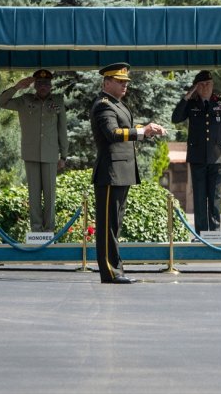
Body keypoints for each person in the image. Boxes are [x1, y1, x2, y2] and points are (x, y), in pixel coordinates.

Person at [90, 63, 166, 284]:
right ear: (106, 82)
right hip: (110, 171)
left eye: (126, 82)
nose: (125, 85)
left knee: (115, 224)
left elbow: (127, 126)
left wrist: (147, 128)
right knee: (107, 227)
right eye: (119, 81)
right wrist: (142, 131)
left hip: (121, 171)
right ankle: (110, 271)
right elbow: (113, 133)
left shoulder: (117, 104)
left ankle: (117, 269)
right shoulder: (103, 105)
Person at [0, 69, 68, 232]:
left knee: (50, 195)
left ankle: (49, 230)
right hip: (31, 154)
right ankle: (37, 230)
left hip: (51, 155)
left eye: (46, 83)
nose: (43, 86)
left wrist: (63, 155)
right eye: (40, 83)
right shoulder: (24, 100)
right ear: (35, 85)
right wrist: (16, 87)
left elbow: (62, 129)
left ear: (50, 85)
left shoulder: (58, 101)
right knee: (34, 195)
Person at [171, 70, 221, 235]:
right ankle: (201, 234)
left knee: (214, 197)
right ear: (196, 87)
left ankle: (215, 234)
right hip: (198, 157)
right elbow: (176, 118)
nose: (206, 87)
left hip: (217, 156)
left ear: (212, 85)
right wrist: (187, 96)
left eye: (208, 83)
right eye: (202, 84)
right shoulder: (191, 104)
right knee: (199, 197)